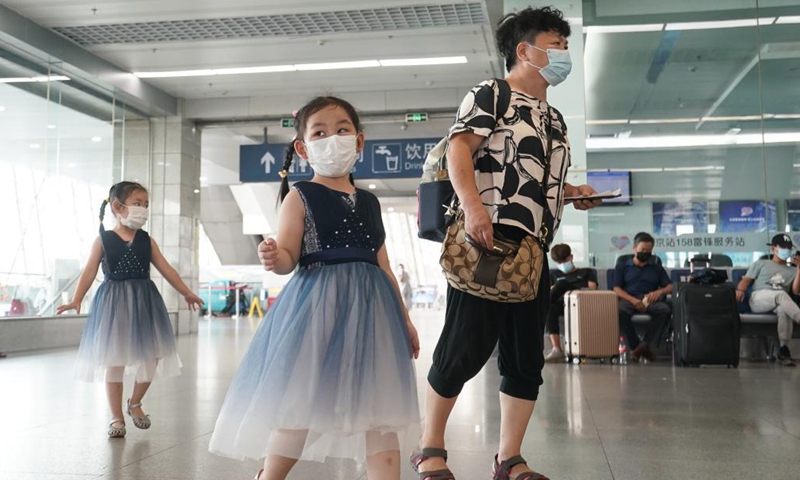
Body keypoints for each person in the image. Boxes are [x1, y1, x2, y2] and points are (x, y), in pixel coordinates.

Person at [412, 7, 600, 480]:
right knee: (464, 346)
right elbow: (459, 148)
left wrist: (573, 194)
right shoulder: (492, 94)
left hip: (534, 250)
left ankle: (509, 457)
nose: (563, 54)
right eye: (556, 44)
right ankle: (430, 446)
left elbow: (540, 182)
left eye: (564, 45)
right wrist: (474, 208)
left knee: (524, 356)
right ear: (525, 50)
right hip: (488, 239)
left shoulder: (556, 119)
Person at [208, 96, 421, 480]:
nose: (332, 139)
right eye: (320, 132)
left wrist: (403, 319)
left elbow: (383, 265)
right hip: (318, 310)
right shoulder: (300, 195)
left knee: (381, 410)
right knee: (301, 404)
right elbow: (290, 255)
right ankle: (269, 475)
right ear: (304, 148)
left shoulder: (370, 202)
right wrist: (275, 257)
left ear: (359, 141)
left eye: (342, 130)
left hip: (374, 313)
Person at [57, 181, 204, 438]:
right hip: (113, 304)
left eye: (146, 205)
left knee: (153, 355)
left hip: (145, 301)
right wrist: (76, 298)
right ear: (118, 206)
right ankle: (116, 417)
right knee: (115, 359)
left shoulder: (147, 240)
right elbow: (90, 271)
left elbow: (166, 269)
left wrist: (186, 292)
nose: (143, 210)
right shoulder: (103, 240)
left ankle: (134, 403)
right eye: (138, 204)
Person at [736, 234, 800, 367]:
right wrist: (740, 290)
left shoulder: (793, 270)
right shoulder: (761, 263)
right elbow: (747, 280)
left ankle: (783, 350)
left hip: (779, 302)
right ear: (773, 249)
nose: (786, 250)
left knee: (784, 309)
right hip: (759, 298)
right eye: (783, 247)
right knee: (781, 295)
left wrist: (799, 270)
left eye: (789, 247)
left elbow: (795, 291)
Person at [612, 232, 672, 363]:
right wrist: (632, 300)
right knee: (619, 310)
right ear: (634, 248)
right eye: (642, 250)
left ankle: (643, 345)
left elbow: (670, 287)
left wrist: (659, 292)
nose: (645, 253)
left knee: (665, 310)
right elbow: (616, 288)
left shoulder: (656, 267)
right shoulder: (623, 266)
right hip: (630, 299)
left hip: (649, 300)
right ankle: (637, 347)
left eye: (648, 251)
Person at [544, 244, 598, 363]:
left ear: (571, 257)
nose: (562, 264)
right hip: (561, 304)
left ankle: (538, 309)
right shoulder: (553, 274)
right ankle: (557, 349)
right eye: (559, 262)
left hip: (581, 303)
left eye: (565, 260)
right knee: (550, 308)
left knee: (562, 284)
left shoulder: (587, 272)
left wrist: (562, 288)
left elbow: (592, 290)